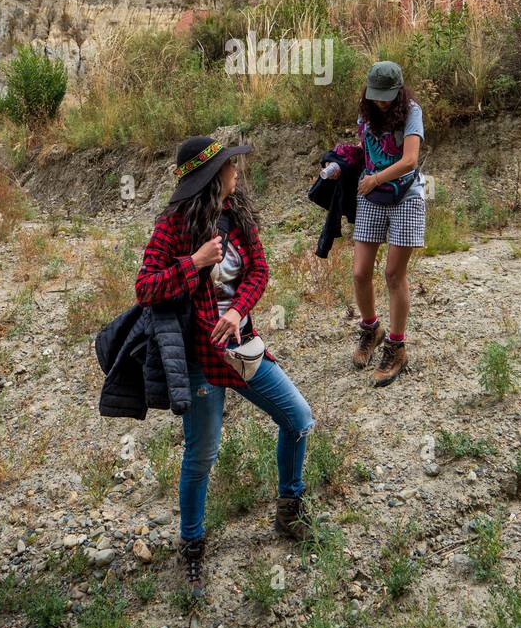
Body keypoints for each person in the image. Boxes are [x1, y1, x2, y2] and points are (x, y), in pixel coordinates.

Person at [135, 135, 314, 597]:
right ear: (212, 178)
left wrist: (237, 312)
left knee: (298, 418)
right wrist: (193, 263)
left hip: (242, 349)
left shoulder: (237, 215)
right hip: (199, 361)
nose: (237, 172)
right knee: (201, 455)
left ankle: (289, 506)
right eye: (230, 167)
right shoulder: (173, 226)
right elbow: (146, 289)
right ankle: (192, 546)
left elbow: (260, 271)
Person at [351, 62, 426, 387]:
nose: (381, 102)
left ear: (398, 91)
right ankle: (371, 329)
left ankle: (396, 345)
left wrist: (375, 179)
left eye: (386, 97)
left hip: (405, 194)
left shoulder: (411, 111)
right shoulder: (366, 114)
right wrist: (342, 164)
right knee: (360, 272)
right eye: (375, 96)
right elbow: (366, 151)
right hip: (371, 194)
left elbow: (410, 159)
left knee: (394, 274)